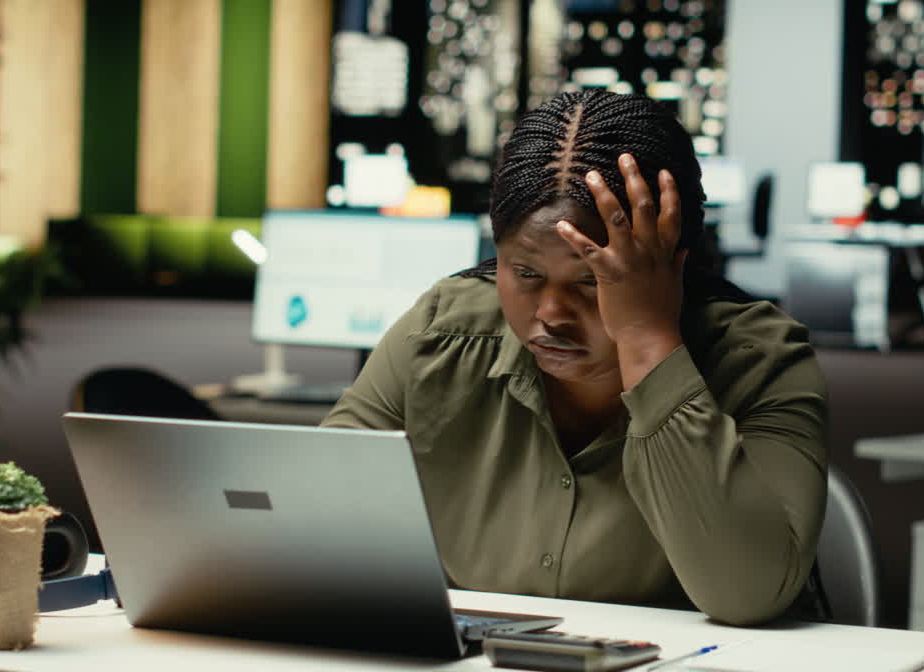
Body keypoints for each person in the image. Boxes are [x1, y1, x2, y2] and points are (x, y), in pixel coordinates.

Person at [321, 88, 828, 626]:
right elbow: (308, 516)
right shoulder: (440, 335)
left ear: (671, 264)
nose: (551, 314)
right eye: (525, 274)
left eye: (592, 279)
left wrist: (647, 339)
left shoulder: (760, 361)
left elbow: (747, 594)